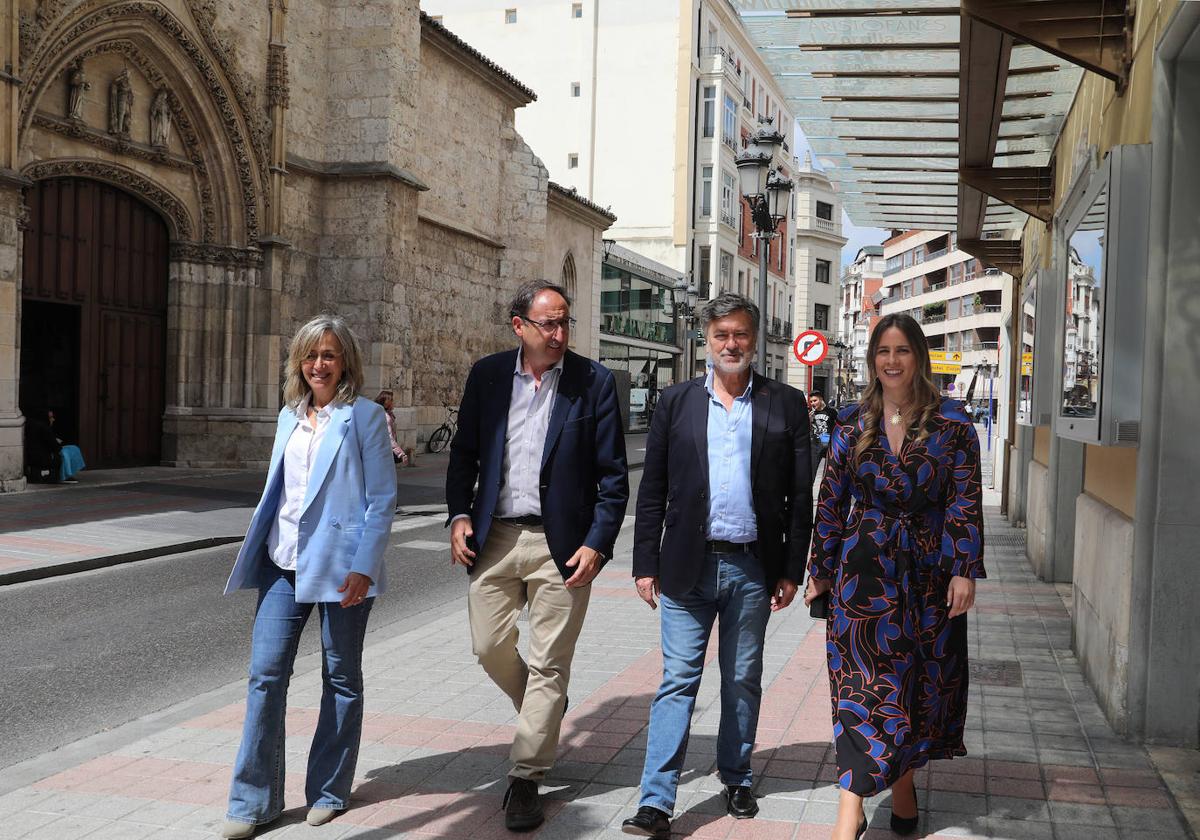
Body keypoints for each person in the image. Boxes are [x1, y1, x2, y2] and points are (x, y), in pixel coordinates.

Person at [621, 293, 813, 839]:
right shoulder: (676, 402)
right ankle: (656, 800)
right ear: (707, 339)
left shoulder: (786, 404)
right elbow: (652, 489)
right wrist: (643, 563)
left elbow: (801, 498)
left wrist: (791, 570)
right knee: (678, 680)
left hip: (753, 569)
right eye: (721, 334)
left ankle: (736, 776)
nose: (732, 344)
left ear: (755, 340)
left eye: (741, 334)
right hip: (685, 566)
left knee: (742, 678)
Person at [446, 280, 629, 831]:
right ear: (518, 325)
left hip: (563, 545)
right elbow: (465, 455)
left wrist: (597, 543)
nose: (558, 333)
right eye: (548, 323)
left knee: (551, 663)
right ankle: (546, 712)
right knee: (488, 646)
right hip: (496, 537)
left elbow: (613, 478)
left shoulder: (592, 382)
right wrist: (457, 514)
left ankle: (525, 777)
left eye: (565, 322)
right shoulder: (487, 375)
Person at [803, 313, 985, 840]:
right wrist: (820, 569)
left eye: (901, 350)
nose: (891, 360)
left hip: (928, 577)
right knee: (860, 688)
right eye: (882, 351)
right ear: (871, 359)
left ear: (918, 356)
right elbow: (831, 500)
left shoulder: (953, 424)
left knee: (916, 688)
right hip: (864, 575)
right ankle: (848, 812)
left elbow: (964, 502)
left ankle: (903, 794)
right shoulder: (851, 424)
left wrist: (964, 570)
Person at [220, 315, 396, 838]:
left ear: (345, 362)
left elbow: (382, 500)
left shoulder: (363, 418)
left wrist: (364, 565)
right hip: (282, 561)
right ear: (300, 360)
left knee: (340, 676)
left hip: (342, 567)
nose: (319, 364)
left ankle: (328, 789)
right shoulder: (287, 418)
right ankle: (253, 802)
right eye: (311, 355)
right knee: (265, 676)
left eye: (330, 355)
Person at [808, 391, 837, 484]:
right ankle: (808, 494)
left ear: (820, 399)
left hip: (829, 444)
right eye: (811, 401)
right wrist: (809, 420)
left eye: (815, 400)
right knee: (811, 472)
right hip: (815, 444)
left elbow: (838, 427)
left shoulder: (831, 412)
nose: (812, 403)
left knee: (831, 472)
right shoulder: (811, 413)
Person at [374, 389, 408, 465]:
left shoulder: (386, 414)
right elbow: (390, 438)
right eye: (392, 400)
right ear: (387, 403)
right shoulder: (386, 417)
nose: (394, 402)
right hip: (383, 452)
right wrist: (401, 453)